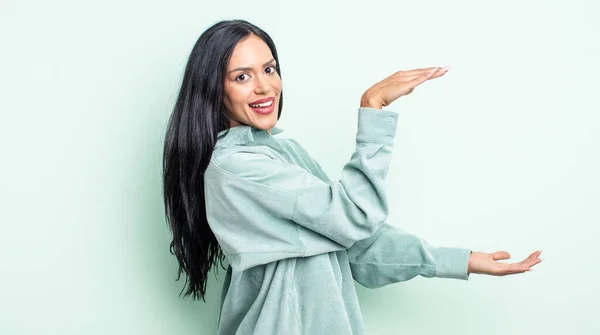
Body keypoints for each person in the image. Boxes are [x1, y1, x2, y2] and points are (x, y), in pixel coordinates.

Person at [162, 19, 543, 335]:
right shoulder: (236, 168)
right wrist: (373, 108)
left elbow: (355, 242)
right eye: (241, 76)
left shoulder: (282, 152)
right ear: (215, 89)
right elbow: (352, 216)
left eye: (269, 68)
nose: (264, 86)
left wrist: (461, 260)